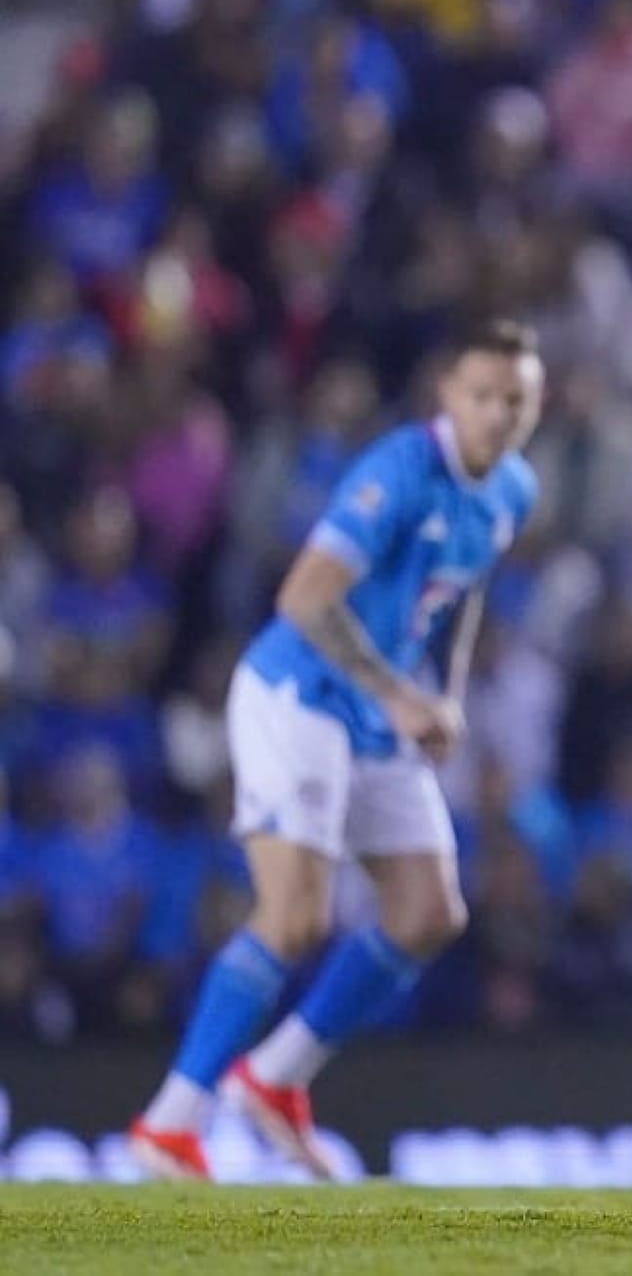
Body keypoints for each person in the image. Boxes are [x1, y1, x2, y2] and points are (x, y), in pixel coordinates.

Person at [128, 322, 544, 1180]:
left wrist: (448, 694)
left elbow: (462, 597)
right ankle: (171, 1123)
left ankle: (275, 1080)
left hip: (378, 711)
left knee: (429, 912)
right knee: (295, 918)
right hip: (301, 698)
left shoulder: (512, 490)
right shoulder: (398, 473)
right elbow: (302, 598)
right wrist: (399, 694)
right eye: (484, 396)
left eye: (517, 399)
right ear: (447, 397)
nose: (499, 414)